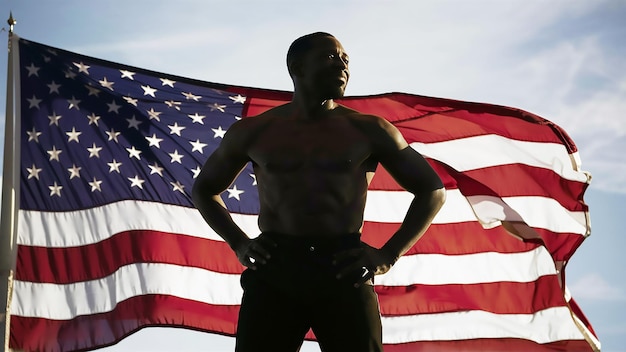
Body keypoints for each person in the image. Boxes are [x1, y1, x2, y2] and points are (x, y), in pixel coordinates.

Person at [191, 32, 446, 352]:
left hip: (344, 268)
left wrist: (387, 255)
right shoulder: (255, 131)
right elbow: (204, 189)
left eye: (345, 59)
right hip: (275, 268)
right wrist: (239, 243)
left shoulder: (370, 129)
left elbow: (432, 190)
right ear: (296, 67)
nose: (342, 64)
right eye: (329, 56)